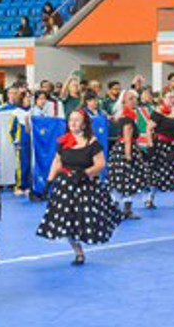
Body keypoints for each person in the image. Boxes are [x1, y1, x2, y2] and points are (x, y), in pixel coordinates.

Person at [37, 108, 121, 265]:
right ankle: (78, 252)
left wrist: (84, 173)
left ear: (84, 124)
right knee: (66, 220)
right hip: (66, 187)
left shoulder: (93, 142)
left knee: (85, 220)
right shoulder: (63, 141)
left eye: (77, 120)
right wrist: (48, 183)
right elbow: (57, 162)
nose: (73, 123)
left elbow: (100, 164)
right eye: (70, 120)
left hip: (85, 186)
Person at [144, 90, 174, 209]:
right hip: (161, 146)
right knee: (157, 173)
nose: (172, 99)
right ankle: (150, 198)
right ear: (163, 98)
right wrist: (150, 146)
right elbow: (148, 129)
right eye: (169, 97)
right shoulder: (158, 112)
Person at [106, 90, 145, 220]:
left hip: (121, 149)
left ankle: (117, 207)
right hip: (125, 150)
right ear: (124, 102)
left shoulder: (124, 116)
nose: (134, 101)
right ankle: (125, 209)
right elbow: (127, 138)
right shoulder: (128, 118)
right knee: (128, 180)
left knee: (120, 180)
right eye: (130, 99)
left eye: (134, 98)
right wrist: (128, 156)